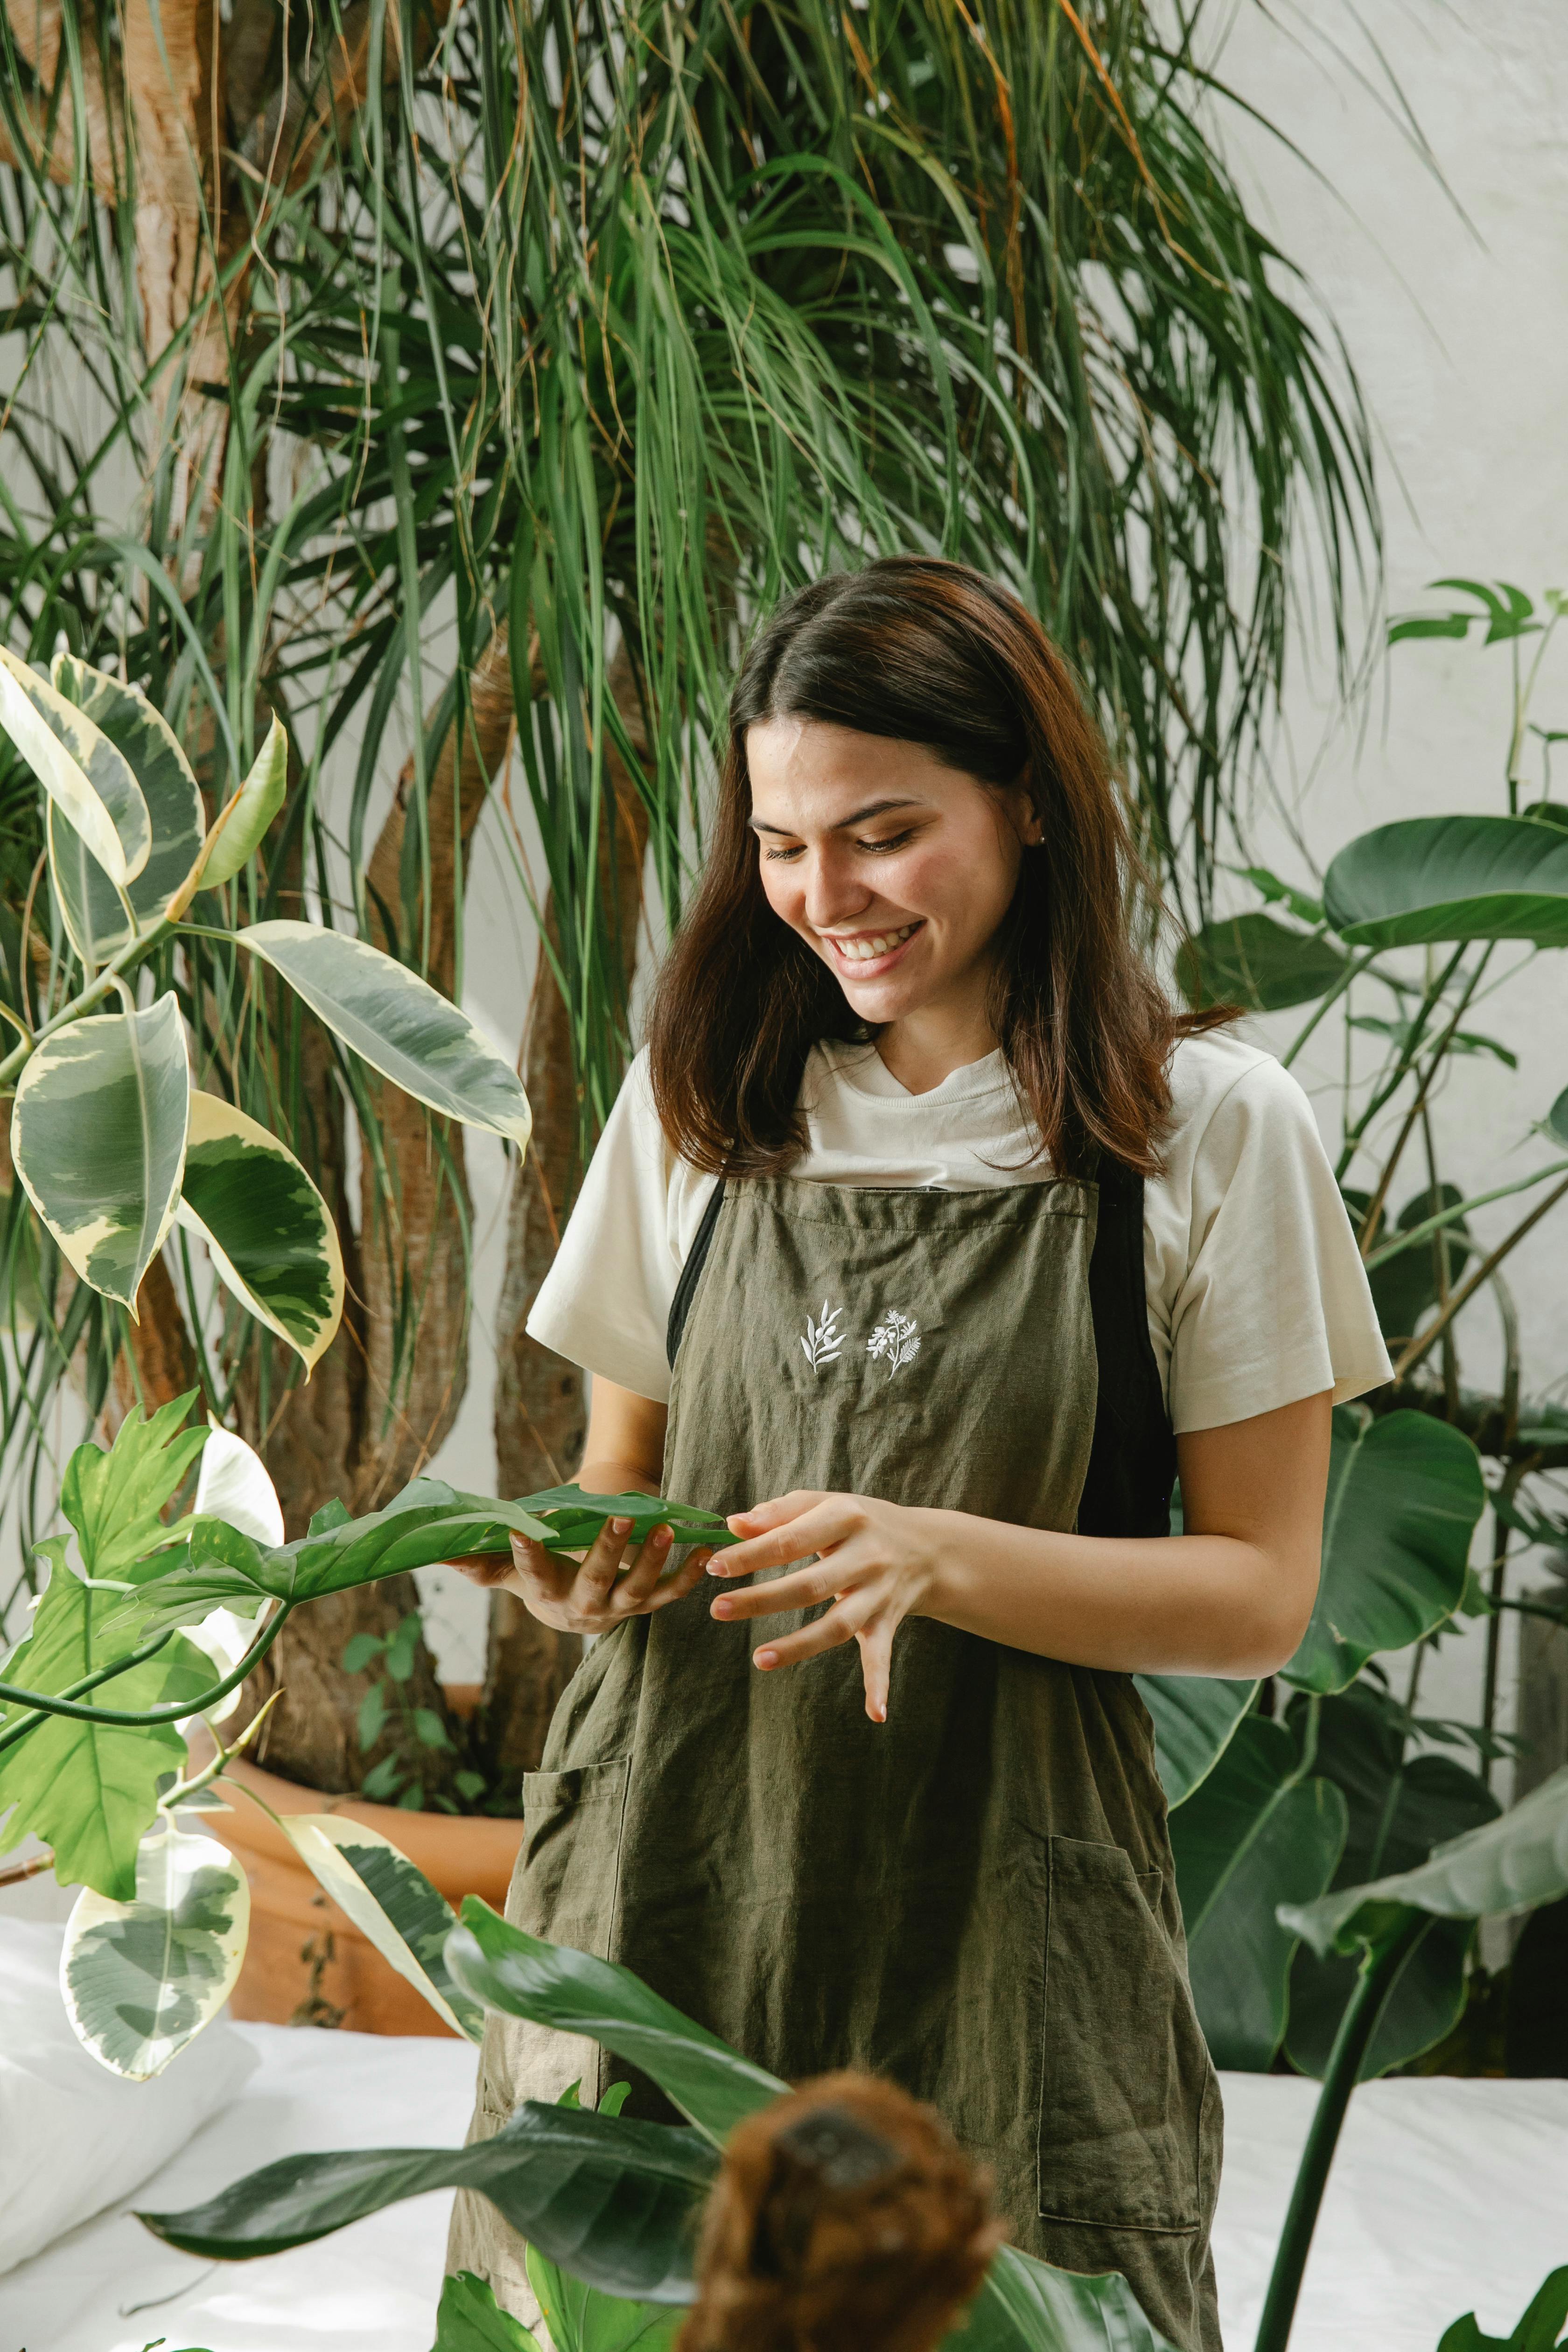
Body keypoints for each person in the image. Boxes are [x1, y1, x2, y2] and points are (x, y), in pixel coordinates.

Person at [446, 558, 1392, 2351]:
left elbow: (1260, 1598)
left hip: (1002, 1910)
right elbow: (624, 1490)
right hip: (672, 1874)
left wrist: (931, 1552)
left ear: (1029, 798)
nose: (827, 898)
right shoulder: (702, 1096)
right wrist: (574, 1575)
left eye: (884, 834)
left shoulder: (1204, 1135)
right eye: (785, 846)